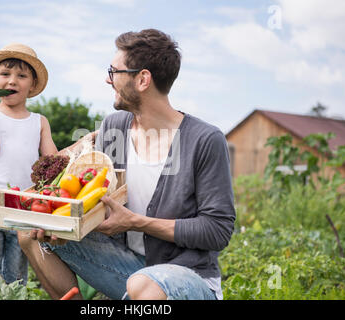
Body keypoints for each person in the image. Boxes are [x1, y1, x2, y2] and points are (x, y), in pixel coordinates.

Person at [19, 29, 236, 300]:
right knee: (30, 231)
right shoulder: (114, 128)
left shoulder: (205, 140)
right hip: (126, 268)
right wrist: (59, 224)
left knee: (143, 285)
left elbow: (217, 231)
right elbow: (83, 184)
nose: (107, 80)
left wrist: (136, 222)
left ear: (143, 79)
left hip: (187, 278)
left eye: (114, 71)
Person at [0, 43, 93, 300]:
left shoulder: (39, 122)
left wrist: (81, 144)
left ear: (32, 85)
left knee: (14, 283)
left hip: (22, 209)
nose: (12, 81)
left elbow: (53, 162)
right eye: (5, 74)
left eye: (21, 76)